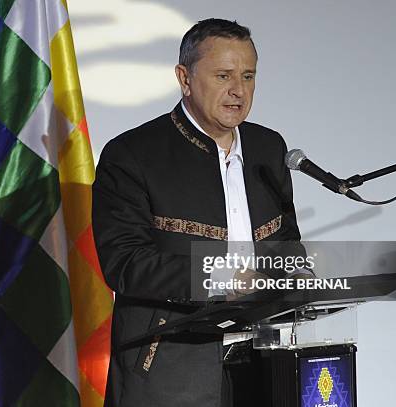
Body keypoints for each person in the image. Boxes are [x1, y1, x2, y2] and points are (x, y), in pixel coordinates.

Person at [92, 18, 303, 407]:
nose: (238, 91)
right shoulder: (133, 155)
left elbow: (287, 240)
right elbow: (125, 263)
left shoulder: (268, 147)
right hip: (171, 367)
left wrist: (299, 274)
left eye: (248, 76)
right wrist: (223, 276)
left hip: (267, 358)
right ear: (184, 78)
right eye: (223, 75)